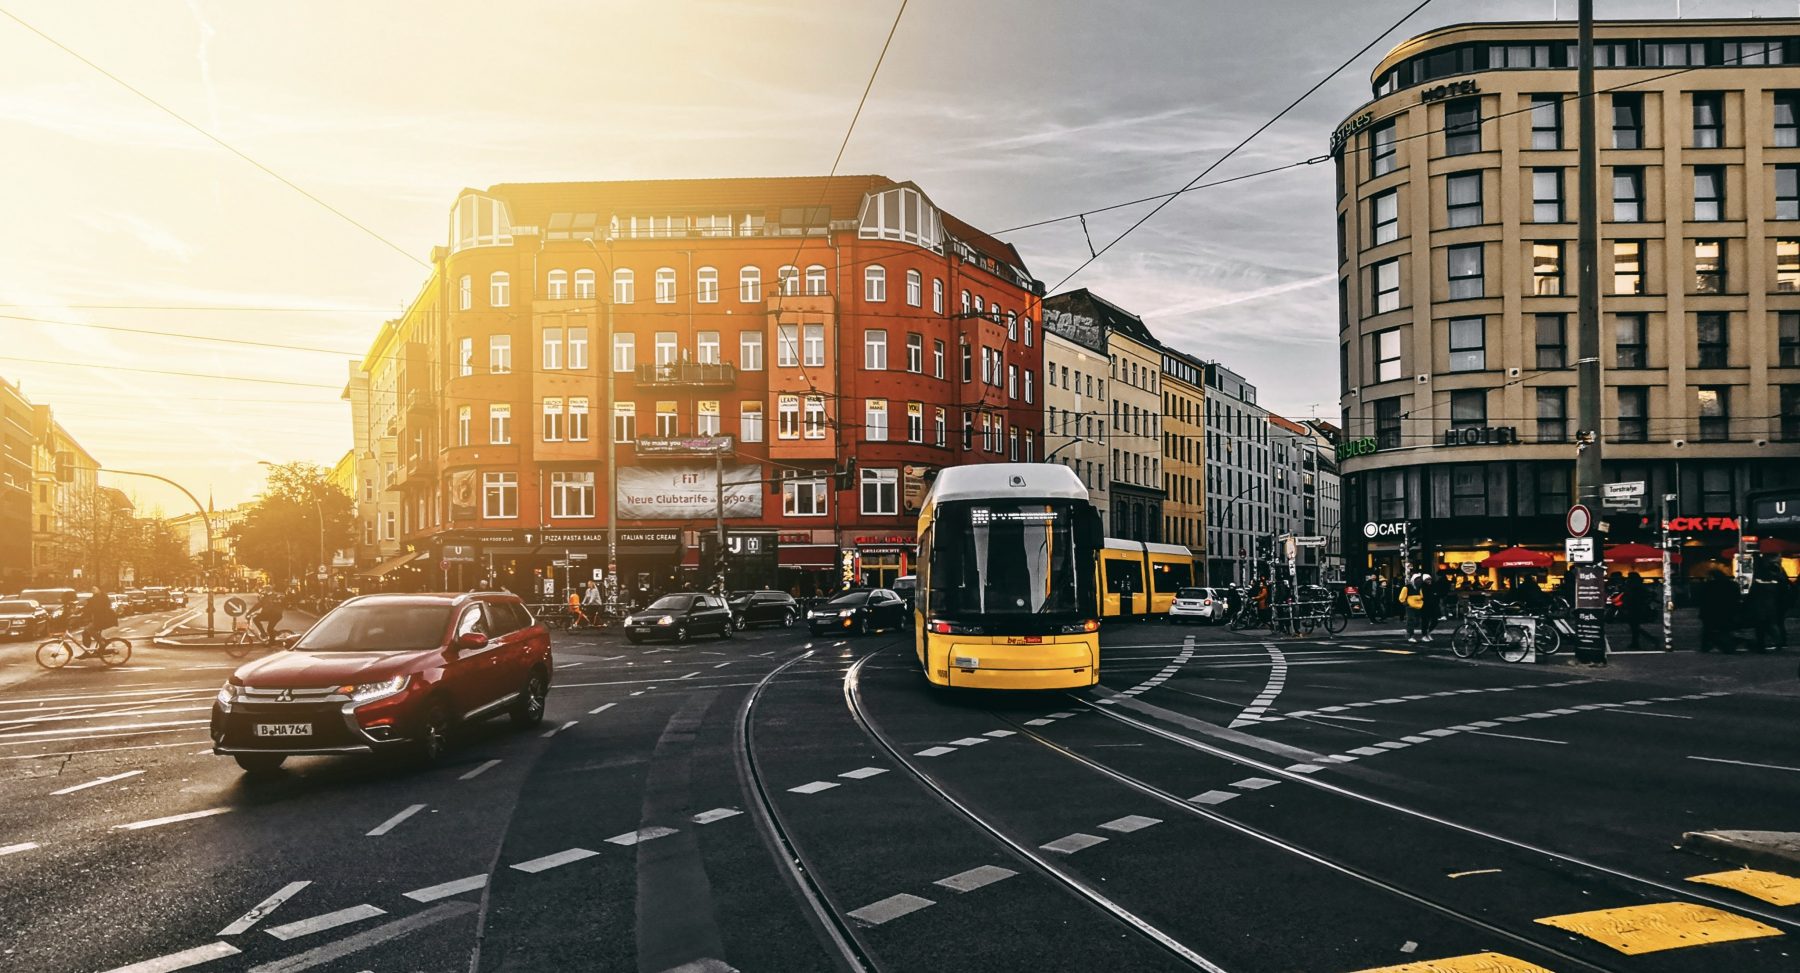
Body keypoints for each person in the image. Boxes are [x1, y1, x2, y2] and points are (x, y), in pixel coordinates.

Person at [1748, 556, 1790, 652]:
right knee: (1773, 624)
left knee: (1760, 626)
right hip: (1772, 605)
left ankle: (1761, 644)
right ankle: (1779, 641)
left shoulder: (1759, 580)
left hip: (1761, 605)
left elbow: (1753, 594)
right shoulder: (1777, 579)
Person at [1697, 570, 1738, 653]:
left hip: (1710, 611)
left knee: (1708, 629)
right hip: (1727, 611)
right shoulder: (1732, 585)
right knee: (1725, 629)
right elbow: (1736, 598)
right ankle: (1727, 646)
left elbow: (1702, 598)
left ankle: (1706, 646)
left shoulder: (1708, 585)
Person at [1620, 572, 1650, 650]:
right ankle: (1637, 642)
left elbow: (1628, 597)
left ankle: (1638, 642)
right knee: (1635, 627)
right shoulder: (1638, 586)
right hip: (1636, 607)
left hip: (1633, 607)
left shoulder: (1633, 587)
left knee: (1634, 627)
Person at [1400, 573, 1428, 643]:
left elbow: (1422, 596)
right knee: (1410, 621)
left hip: (1418, 606)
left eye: (1420, 579)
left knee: (1417, 622)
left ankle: (1408, 632)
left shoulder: (1419, 588)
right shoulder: (1407, 587)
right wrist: (1406, 604)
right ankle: (1410, 635)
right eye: (1417, 579)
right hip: (1410, 607)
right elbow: (1401, 597)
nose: (1419, 581)